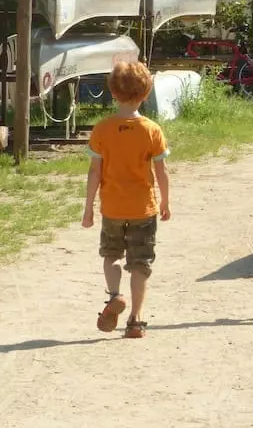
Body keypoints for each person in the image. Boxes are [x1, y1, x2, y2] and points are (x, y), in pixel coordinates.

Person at [82, 61, 171, 339]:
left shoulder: (102, 129)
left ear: (113, 92)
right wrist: (165, 201)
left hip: (112, 207)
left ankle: (114, 295)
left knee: (111, 256)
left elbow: (94, 172)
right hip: (143, 208)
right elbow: (161, 171)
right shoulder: (152, 129)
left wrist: (88, 208)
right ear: (146, 93)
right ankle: (136, 319)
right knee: (140, 264)